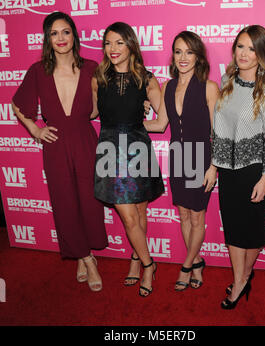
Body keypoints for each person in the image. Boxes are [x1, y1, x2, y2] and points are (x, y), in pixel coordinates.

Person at [12, 12, 108, 292]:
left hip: (85, 139)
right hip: (55, 144)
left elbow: (96, 108)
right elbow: (17, 104)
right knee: (65, 202)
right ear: (48, 38)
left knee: (90, 200)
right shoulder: (38, 70)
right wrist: (35, 130)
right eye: (54, 33)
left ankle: (82, 252)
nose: (61, 38)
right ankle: (87, 259)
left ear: (74, 35)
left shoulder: (92, 67)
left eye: (66, 32)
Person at [211, 25, 265, 309]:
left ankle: (242, 278)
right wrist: (213, 166)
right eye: (240, 46)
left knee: (252, 230)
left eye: (251, 48)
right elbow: (219, 129)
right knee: (232, 228)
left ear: (261, 53)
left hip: (253, 171)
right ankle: (240, 276)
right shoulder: (226, 79)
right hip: (227, 171)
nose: (244, 53)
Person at [92, 22, 164, 297]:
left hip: (137, 149)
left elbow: (164, 119)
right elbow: (89, 112)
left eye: (119, 42)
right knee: (129, 216)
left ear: (131, 45)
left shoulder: (146, 78)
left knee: (140, 213)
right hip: (110, 150)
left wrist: (136, 124)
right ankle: (149, 264)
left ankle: (135, 259)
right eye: (108, 43)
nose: (113, 48)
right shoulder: (97, 78)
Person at [143, 31, 219, 291]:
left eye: (189, 51)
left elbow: (217, 132)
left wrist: (214, 167)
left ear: (198, 56)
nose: (183, 57)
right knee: (184, 216)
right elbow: (160, 123)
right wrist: (128, 121)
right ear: (173, 56)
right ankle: (197, 262)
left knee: (197, 218)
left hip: (201, 158)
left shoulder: (209, 87)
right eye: (178, 51)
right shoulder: (168, 86)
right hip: (178, 157)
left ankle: (186, 266)